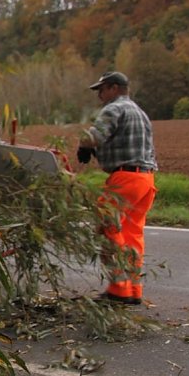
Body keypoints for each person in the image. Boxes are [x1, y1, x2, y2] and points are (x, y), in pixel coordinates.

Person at [77, 71, 158, 306]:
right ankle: (133, 289)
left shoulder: (114, 108)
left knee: (108, 228)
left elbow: (96, 135)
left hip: (124, 179)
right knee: (132, 235)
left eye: (101, 90)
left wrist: (83, 145)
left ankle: (118, 289)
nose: (99, 95)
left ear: (113, 88)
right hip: (146, 179)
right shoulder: (140, 112)